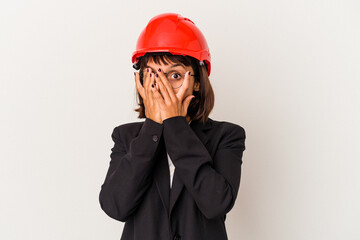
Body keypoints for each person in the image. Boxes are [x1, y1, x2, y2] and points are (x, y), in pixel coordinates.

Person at [99, 13, 246, 240]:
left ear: (197, 82)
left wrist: (175, 125)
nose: (163, 86)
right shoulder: (125, 136)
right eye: (153, 76)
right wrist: (153, 127)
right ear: (141, 83)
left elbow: (216, 204)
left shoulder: (227, 136)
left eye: (175, 75)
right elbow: (115, 206)